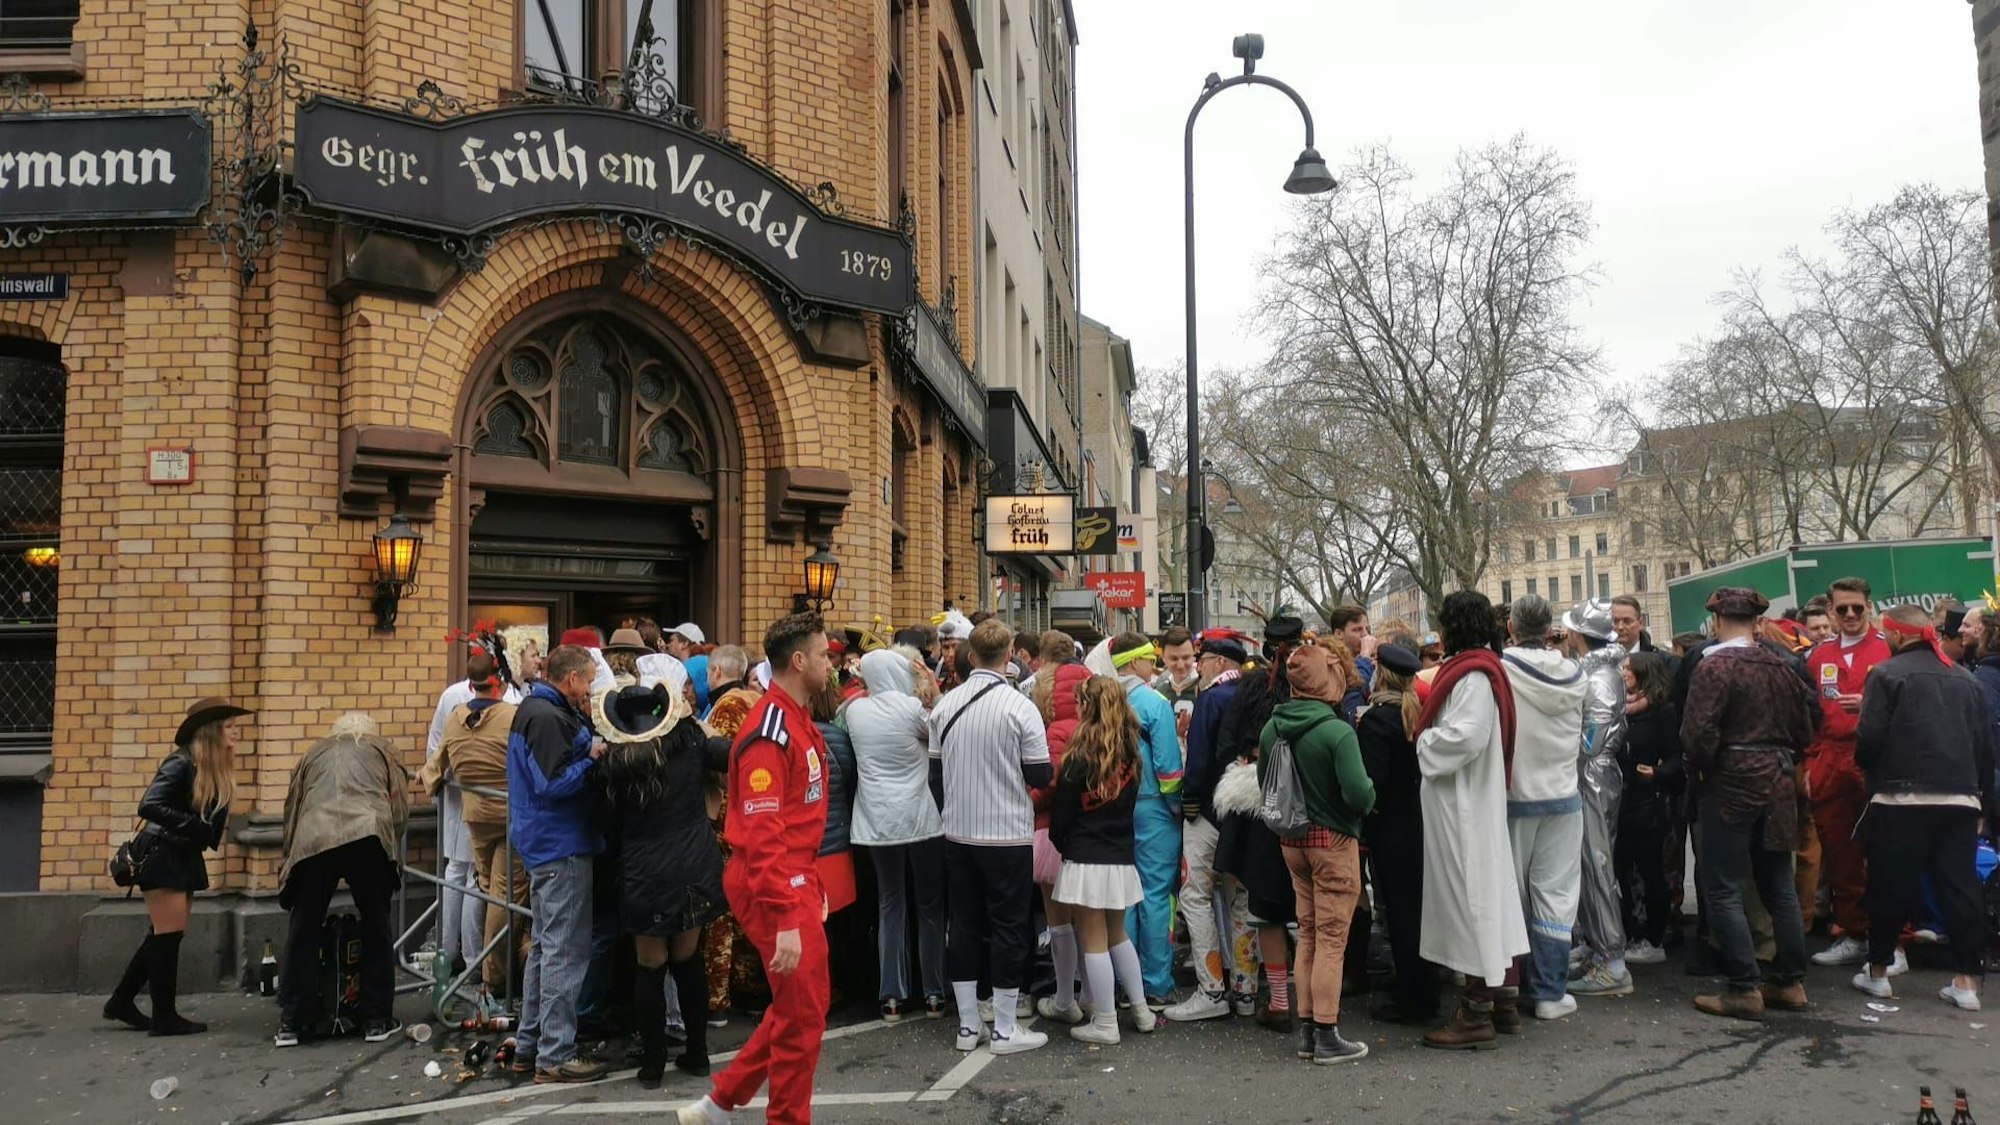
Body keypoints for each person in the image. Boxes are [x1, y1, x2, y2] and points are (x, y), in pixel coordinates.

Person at [676, 613, 838, 1125]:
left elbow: (795, 819)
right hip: (772, 880)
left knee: (803, 1006)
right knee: (804, 1014)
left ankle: (721, 1103)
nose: (829, 663)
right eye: (823, 654)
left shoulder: (794, 718)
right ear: (798, 661)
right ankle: (765, 1114)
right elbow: (764, 834)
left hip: (790, 876)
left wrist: (809, 887)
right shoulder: (773, 728)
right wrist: (788, 914)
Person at [1850, 605, 1998, 1011]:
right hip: (1960, 798)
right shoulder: (1966, 680)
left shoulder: (1885, 674)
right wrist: (1982, 798)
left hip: (1900, 798)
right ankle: (1966, 981)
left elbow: (1868, 740)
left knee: (1889, 885)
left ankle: (1878, 972)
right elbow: (1986, 748)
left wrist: (1871, 772)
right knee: (1960, 887)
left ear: (1897, 636)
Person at [1680, 587, 1817, 1020]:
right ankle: (1790, 981)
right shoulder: (1781, 665)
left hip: (1731, 779)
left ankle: (1744, 986)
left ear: (1717, 621)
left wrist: (1704, 765)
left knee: (1723, 885)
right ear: (1756, 622)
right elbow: (1806, 727)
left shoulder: (1714, 665)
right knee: (1779, 884)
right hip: (1776, 777)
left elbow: (1696, 734)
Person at [596, 656, 726, 1087]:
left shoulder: (615, 766)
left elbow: (608, 826)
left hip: (644, 871)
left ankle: (652, 1064)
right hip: (693, 863)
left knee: (649, 965)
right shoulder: (688, 740)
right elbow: (727, 755)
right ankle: (698, 1052)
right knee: (688, 960)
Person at [930, 618, 1054, 1055]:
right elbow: (1040, 773)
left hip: (958, 833)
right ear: (1009, 654)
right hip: (1006, 834)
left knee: (962, 924)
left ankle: (967, 1026)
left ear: (968, 656)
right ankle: (1003, 1027)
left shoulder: (944, 705)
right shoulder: (1020, 707)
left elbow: (935, 775)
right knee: (1008, 927)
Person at [1415, 591, 1528, 1051]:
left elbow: (1467, 736)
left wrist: (1422, 740)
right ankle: (1502, 999)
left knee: (1472, 902)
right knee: (1488, 898)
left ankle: (1476, 1010)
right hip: (1467, 802)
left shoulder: (1473, 675)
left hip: (1463, 805)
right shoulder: (1478, 668)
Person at [104, 697, 250, 1037]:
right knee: (167, 937)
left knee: (165, 934)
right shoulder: (181, 762)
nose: (237, 732)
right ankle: (164, 1017)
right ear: (212, 732)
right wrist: (194, 827)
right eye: (229, 727)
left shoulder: (208, 767)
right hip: (161, 852)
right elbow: (149, 804)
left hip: (178, 853)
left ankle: (122, 1001)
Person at [1267, 633, 1375, 1064]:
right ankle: (1328, 1033)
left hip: (1291, 842)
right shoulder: (1336, 731)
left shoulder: (1271, 728)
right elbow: (1359, 793)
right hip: (1333, 842)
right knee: (1332, 938)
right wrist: (1370, 796)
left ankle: (1309, 1029)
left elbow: (1266, 785)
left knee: (1307, 933)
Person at [507, 644, 608, 1084]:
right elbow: (552, 783)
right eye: (587, 680)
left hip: (544, 842)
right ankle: (556, 1054)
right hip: (560, 843)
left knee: (546, 950)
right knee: (565, 953)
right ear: (570, 680)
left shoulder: (536, 710)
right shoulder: (547, 717)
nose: (589, 689)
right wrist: (592, 758)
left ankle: (530, 1047)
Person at [275, 713, 408, 1047]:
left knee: (303, 927)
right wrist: (392, 853)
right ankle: (377, 1019)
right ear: (369, 731)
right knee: (377, 924)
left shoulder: (313, 753)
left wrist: (289, 859)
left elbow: (293, 806)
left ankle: (292, 1021)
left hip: (314, 835)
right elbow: (399, 805)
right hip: (368, 834)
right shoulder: (381, 749)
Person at [1050, 676, 1156, 1044]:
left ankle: (1107, 1022)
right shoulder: (1131, 753)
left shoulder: (1078, 758)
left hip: (1085, 854)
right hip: (1120, 853)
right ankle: (1141, 1011)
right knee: (1118, 935)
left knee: (1092, 938)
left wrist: (1060, 842)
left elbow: (1061, 815)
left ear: (1086, 707)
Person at [845, 647, 948, 1023]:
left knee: (890, 904)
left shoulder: (854, 711)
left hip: (876, 821)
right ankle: (935, 992)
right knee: (930, 907)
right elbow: (940, 725)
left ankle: (891, 995)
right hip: (920, 817)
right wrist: (932, 687)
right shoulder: (909, 709)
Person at [1497, 595, 1587, 1023]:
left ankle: (1509, 987)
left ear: (1511, 626)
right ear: (1549, 628)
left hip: (1514, 796)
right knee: (1556, 894)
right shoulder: (1575, 672)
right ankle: (1550, 991)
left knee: (1510, 893)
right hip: (1564, 795)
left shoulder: (1501, 669)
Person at [1216, 615, 1307, 1032]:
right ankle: (1310, 999)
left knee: (1266, 907)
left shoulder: (1252, 687)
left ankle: (1278, 1002)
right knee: (1307, 908)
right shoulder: (1317, 683)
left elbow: (1228, 740)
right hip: (1309, 805)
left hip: (1257, 804)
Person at [1166, 627, 1259, 1022]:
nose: (1198, 666)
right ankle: (1247, 989)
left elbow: (1201, 757)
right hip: (1248, 809)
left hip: (1208, 811)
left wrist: (1190, 800)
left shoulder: (1212, 697)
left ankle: (1212, 989)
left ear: (1220, 663)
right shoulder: (1256, 692)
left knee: (1195, 895)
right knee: (1241, 901)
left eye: (1202, 660)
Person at [422, 651, 526, 999]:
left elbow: (432, 769)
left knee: (481, 886)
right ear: (498, 681)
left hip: (474, 818)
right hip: (510, 816)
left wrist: (437, 787)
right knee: (501, 897)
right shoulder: (512, 716)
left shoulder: (455, 717)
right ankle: (493, 977)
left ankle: (476, 963)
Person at [1807, 577, 1893, 968]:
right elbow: (1807, 714)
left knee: (1888, 851)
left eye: (1857, 607)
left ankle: (1895, 940)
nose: (1851, 615)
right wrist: (1809, 764)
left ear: (1868, 606)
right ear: (1831, 611)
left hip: (1876, 759)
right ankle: (1852, 932)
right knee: (1839, 851)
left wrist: (1872, 706)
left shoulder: (1888, 649)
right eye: (1842, 609)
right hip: (1830, 760)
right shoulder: (1818, 655)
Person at [1357, 642, 1437, 1025]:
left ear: (1381, 675)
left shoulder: (1377, 720)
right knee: (1417, 913)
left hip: (1390, 829)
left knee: (1402, 917)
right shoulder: (1417, 714)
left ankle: (1414, 998)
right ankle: (1422, 983)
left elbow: (1373, 783)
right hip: (1420, 822)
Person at [1108, 632, 1185, 1009]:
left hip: (1111, 810)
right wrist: (1177, 811)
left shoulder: (1104, 701)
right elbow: (1169, 769)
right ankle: (1156, 985)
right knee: (1155, 896)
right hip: (1154, 807)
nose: (1154, 666)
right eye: (1150, 659)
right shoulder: (1155, 703)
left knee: (1123, 897)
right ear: (1136, 662)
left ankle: (1126, 985)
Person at [1562, 599, 1632, 997]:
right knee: (1590, 864)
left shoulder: (1600, 676)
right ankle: (1598, 946)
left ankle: (1611, 959)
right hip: (1590, 774)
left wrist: (1568, 746)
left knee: (1598, 864)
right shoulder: (1598, 672)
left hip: (1593, 776)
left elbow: (1595, 737)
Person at [1030, 632, 1094, 1026]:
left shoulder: (1053, 731)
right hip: (1090, 833)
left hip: (1052, 831)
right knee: (1088, 919)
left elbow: (1049, 783)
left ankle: (1065, 997)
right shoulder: (1095, 729)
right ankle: (1091, 993)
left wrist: (1028, 797)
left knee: (1058, 920)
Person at [1617, 652, 1681, 965]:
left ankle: (1654, 938)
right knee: (1621, 870)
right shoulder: (1620, 709)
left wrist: (1656, 773)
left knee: (1651, 871)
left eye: (1628, 668)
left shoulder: (1662, 711)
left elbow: (1675, 759)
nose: (1623, 672)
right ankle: (1628, 932)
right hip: (1622, 801)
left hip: (1648, 804)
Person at [1329, 605, 1377, 720]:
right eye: (1357, 630)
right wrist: (1365, 656)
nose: (1365, 635)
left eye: (1367, 629)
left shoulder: (1369, 660)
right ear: (1339, 634)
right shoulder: (1332, 663)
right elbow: (1354, 689)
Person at [1154, 626, 1201, 743]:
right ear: (1163, 657)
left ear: (1194, 653)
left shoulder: (1204, 691)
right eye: (1173, 659)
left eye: (1186, 658)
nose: (1180, 665)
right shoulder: (1159, 693)